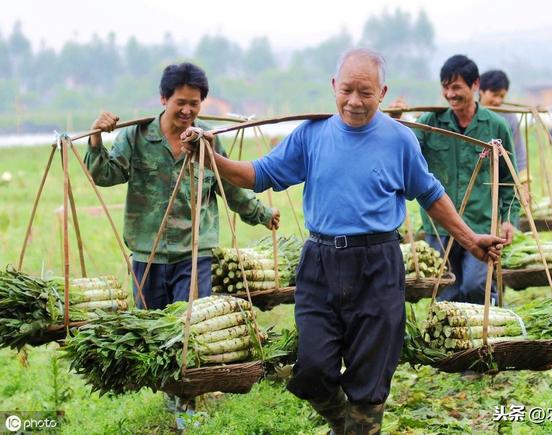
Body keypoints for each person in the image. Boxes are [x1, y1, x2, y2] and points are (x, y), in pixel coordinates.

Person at [181, 48, 504, 435]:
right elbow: (260, 174)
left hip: (379, 263)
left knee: (370, 375)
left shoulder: (400, 140)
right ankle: (346, 423)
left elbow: (431, 195)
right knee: (314, 367)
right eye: (347, 90)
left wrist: (470, 240)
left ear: (382, 92)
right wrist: (209, 158)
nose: (354, 101)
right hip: (321, 262)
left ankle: (360, 425)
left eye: (365, 92)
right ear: (334, 86)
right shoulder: (311, 135)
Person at [83, 62, 279, 429]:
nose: (187, 110)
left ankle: (188, 404)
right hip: (148, 253)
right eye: (180, 103)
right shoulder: (137, 136)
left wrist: (261, 213)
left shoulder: (207, 141)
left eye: (195, 103)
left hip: (194, 253)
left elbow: (230, 188)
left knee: (190, 333)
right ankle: (171, 393)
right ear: (164, 99)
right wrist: (96, 139)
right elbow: (105, 174)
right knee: (155, 333)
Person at [391, 55, 519, 305]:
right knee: (445, 291)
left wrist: (508, 218)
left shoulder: (496, 126)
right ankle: (456, 343)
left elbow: (508, 178)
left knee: (476, 286)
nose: (450, 94)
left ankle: (487, 338)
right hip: (440, 226)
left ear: (474, 86)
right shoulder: (431, 123)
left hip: (481, 223)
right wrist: (396, 120)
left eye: (456, 87)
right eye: (446, 87)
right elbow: (402, 153)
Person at [479, 69, 529, 201]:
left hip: (503, 180)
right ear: (481, 91)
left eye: (501, 96)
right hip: (476, 180)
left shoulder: (509, 117)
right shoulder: (470, 115)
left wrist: (524, 186)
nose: (497, 100)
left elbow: (519, 153)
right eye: (494, 95)